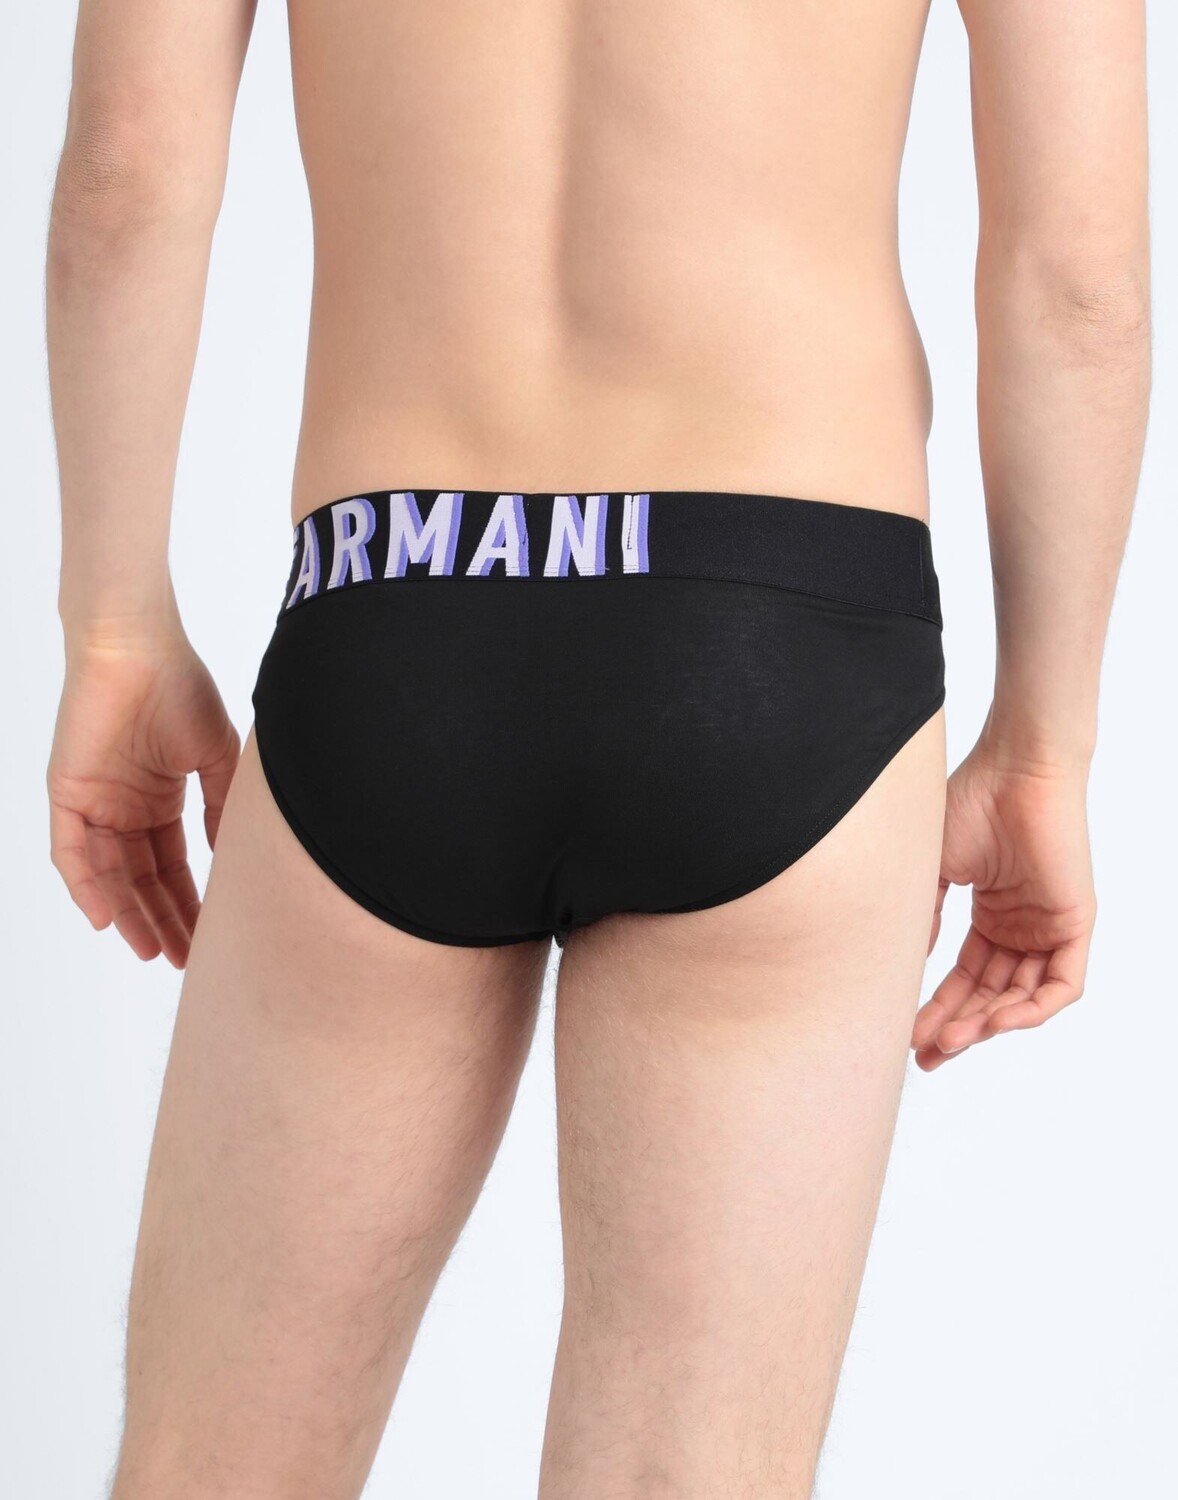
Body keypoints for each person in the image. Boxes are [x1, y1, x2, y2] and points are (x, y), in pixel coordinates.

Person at [43, 0, 1150, 1494]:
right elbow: (1077, 282)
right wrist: (1045, 742)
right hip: (776, 625)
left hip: (393, 598)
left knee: (207, 1469)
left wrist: (115, 631)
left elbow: (124, 172)